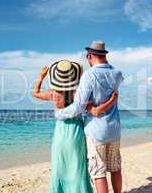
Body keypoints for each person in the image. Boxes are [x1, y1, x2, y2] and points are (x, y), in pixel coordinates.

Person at [33, 60, 118, 193]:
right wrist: (111, 101)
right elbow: (94, 109)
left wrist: (41, 76)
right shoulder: (77, 94)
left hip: (60, 133)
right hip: (76, 132)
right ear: (73, 77)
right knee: (78, 165)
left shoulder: (53, 94)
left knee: (60, 165)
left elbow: (35, 93)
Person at [55, 41, 124, 193]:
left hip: (96, 130)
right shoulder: (117, 74)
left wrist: (59, 114)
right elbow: (114, 91)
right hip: (114, 128)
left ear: (90, 55)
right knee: (115, 167)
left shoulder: (89, 75)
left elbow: (78, 106)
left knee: (98, 172)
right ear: (104, 55)